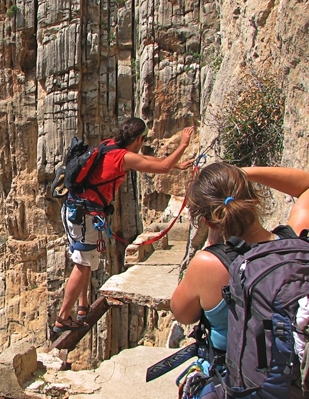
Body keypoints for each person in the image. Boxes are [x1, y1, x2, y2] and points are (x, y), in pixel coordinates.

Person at [52, 117, 195, 333]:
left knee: (85, 259)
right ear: (138, 139)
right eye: (143, 140)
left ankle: (82, 307)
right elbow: (161, 167)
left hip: (75, 209)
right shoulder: (124, 158)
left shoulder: (110, 145)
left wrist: (176, 164)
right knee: (82, 264)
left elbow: (145, 159)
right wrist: (183, 144)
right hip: (85, 215)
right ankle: (62, 318)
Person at [171, 163, 309, 350]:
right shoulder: (297, 240)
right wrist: (242, 173)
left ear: (209, 223)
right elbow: (306, 185)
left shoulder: (207, 265)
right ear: (254, 200)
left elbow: (182, 314)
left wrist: (213, 246)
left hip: (241, 377)